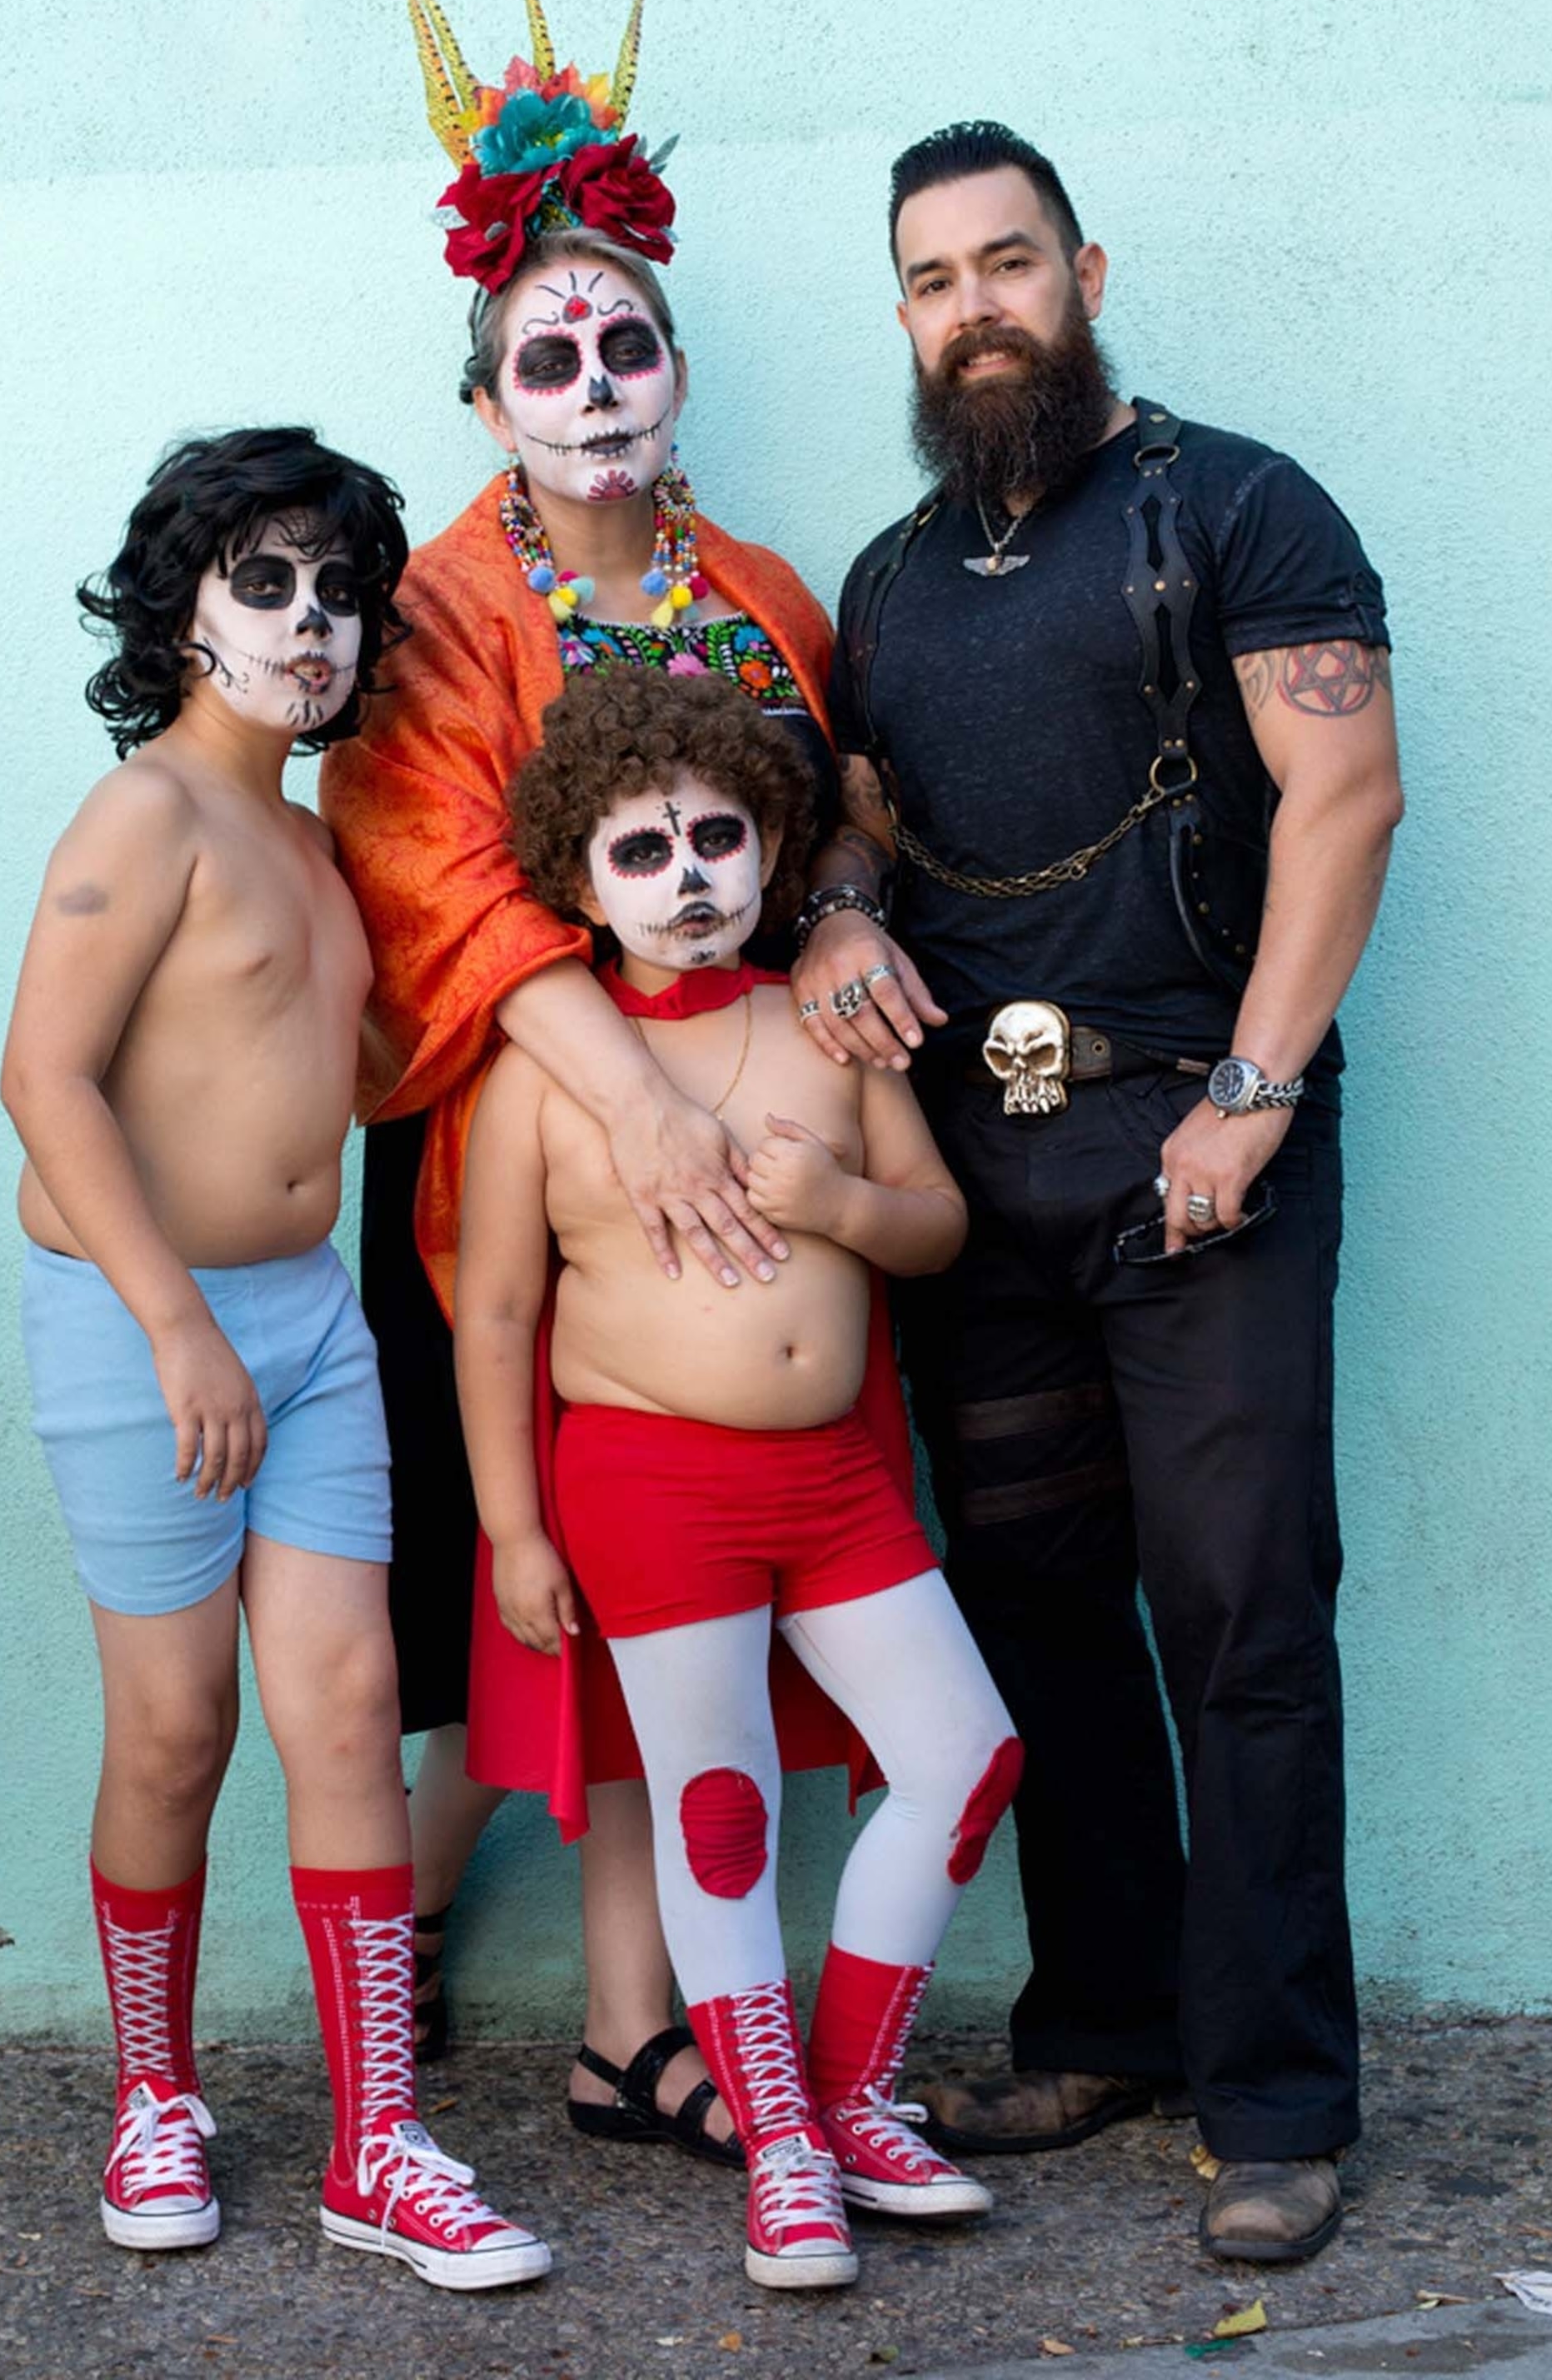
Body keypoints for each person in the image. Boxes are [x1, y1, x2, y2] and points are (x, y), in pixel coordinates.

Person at [791, 120, 1403, 2265]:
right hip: (986, 1186)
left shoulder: (1231, 502)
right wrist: (837, 913)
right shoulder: (887, 577)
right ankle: (1111, 2019)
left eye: (1009, 262)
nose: (975, 308)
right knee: (1039, 1610)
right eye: (935, 278)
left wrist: (1250, 1094)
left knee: (1238, 1618)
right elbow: (861, 807)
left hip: (1196, 1153)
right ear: (902, 314)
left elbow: (1345, 791)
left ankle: (1276, 2099)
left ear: (1083, 271)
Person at [322, 0, 837, 2156]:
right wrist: (621, 1098)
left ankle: (644, 2021)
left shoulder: (767, 587)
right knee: (488, 1579)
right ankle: (443, 1926)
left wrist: (865, 920)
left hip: (735, 1159)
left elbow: (842, 815)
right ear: (491, 399)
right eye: (552, 354)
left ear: (678, 368)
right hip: (511, 1173)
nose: (595, 379)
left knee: (675, 1568)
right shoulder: (440, 608)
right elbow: (431, 873)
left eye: (625, 344)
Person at [2, 427, 549, 2292]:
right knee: (176, 1730)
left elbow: (355, 1066)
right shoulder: (143, 816)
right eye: (264, 583)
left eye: (338, 590)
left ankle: (378, 2140)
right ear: (179, 613)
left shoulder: (315, 843)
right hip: (141, 1319)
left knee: (342, 1710)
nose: (310, 623)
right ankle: (154, 2093)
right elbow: (43, 1081)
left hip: (310, 1323)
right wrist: (172, 1325)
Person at [457, 668, 1023, 2288]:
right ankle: (775, 2145)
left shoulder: (829, 1029)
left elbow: (934, 1226)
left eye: (718, 836)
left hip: (832, 1487)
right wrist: (510, 1525)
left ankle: (843, 2101)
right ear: (580, 881)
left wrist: (836, 1199)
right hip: (645, 1487)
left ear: (773, 849)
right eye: (643, 852)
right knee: (719, 1814)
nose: (690, 875)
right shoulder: (544, 1078)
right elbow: (495, 1311)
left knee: (965, 1756)